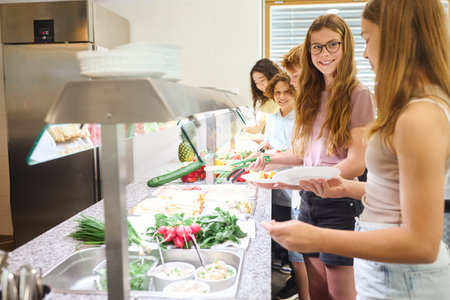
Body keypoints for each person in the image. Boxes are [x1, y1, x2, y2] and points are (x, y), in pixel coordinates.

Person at [262, 0, 450, 299]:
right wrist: (346, 188)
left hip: (403, 280)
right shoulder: (413, 107)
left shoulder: (421, 115)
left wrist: (317, 236)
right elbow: (393, 194)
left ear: (396, 37)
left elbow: (422, 244)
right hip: (385, 271)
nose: (364, 52)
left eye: (367, 38)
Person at [247, 14, 375, 300]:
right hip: (309, 201)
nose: (324, 53)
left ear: (346, 47)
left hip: (339, 202)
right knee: (316, 291)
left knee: (339, 292)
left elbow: (356, 162)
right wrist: (268, 162)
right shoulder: (310, 94)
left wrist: (311, 177)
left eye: (332, 45)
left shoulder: (359, 94)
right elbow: (306, 155)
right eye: (316, 47)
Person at [275, 44, 311, 300]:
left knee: (305, 256)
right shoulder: (309, 107)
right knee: (302, 256)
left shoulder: (305, 111)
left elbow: (300, 155)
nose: (293, 84)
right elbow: (299, 153)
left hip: (312, 192)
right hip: (305, 194)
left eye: (295, 78)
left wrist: (266, 159)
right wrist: (266, 158)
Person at [242, 58, 281, 136]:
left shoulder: (288, 98)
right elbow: (257, 128)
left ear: (272, 76)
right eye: (256, 83)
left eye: (262, 80)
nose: (259, 85)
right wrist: (244, 129)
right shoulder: (267, 103)